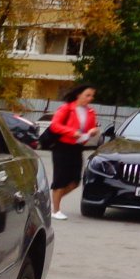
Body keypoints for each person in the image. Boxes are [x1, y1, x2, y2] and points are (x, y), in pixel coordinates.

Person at [46, 84, 98, 220]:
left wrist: (93, 131)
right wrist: (71, 132)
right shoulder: (66, 108)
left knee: (75, 181)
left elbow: (91, 127)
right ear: (78, 95)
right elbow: (55, 125)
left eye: (92, 96)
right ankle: (56, 210)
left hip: (77, 147)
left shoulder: (90, 112)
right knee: (60, 179)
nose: (90, 98)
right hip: (62, 147)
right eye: (87, 95)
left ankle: (52, 202)